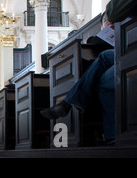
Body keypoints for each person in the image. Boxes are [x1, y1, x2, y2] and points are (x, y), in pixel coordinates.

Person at [40, 12, 115, 143]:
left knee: (103, 57)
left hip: (127, 53)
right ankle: (112, 136)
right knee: (102, 83)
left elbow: (97, 42)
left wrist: (92, 40)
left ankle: (67, 103)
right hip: (121, 58)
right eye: (106, 22)